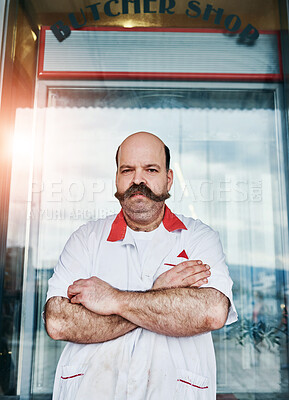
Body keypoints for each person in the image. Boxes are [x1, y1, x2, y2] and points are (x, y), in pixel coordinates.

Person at [44, 131, 237, 400]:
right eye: (127, 170)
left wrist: (113, 299)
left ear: (168, 179)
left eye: (150, 169)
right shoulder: (85, 239)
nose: (138, 179)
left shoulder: (199, 238)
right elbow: (59, 321)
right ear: (117, 178)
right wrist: (160, 296)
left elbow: (211, 311)